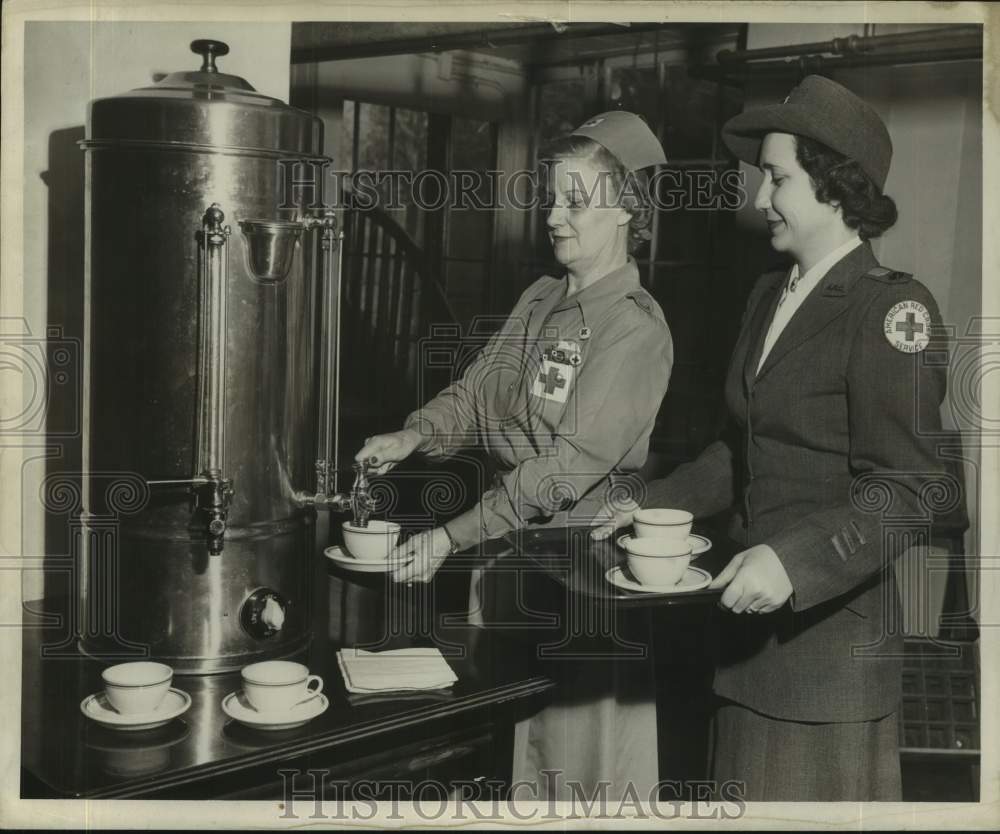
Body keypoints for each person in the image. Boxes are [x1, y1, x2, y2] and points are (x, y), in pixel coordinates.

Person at [595, 76, 963, 800]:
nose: (760, 199)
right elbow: (743, 447)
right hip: (743, 649)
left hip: (824, 672)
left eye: (778, 178)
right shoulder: (770, 292)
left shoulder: (890, 309)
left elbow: (912, 490)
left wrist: (793, 565)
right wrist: (656, 506)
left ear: (836, 186)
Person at [355, 111, 673, 800]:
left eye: (576, 201)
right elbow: (475, 396)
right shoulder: (540, 297)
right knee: (503, 756)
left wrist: (449, 534)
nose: (555, 216)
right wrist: (415, 435)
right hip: (504, 562)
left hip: (579, 577)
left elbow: (563, 470)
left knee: (576, 772)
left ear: (625, 208)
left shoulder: (633, 328)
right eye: (552, 198)